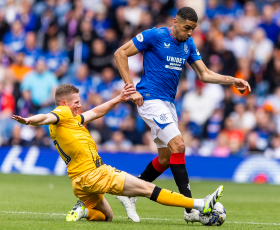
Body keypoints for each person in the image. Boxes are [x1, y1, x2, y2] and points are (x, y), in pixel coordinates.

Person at [12, 83, 223, 223]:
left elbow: (95, 112)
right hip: (96, 174)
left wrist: (118, 98)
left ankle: (85, 210)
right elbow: (47, 116)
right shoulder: (62, 112)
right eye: (77, 102)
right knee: (147, 189)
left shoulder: (70, 121)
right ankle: (199, 205)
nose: (80, 105)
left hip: (79, 181)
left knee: (108, 216)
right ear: (65, 103)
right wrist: (31, 120)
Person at [114, 6, 250, 223]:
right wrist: (130, 88)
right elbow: (120, 53)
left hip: (168, 104)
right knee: (179, 145)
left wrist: (232, 80)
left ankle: (129, 193)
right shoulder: (155, 35)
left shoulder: (188, 44)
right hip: (150, 99)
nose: (190, 33)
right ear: (175, 21)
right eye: (187, 28)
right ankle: (190, 209)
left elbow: (204, 74)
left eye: (193, 29)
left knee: (166, 158)